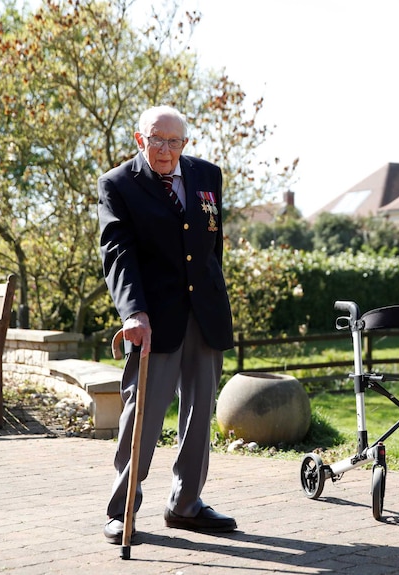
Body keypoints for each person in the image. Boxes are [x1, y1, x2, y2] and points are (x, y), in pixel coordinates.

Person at [97, 105, 236, 544]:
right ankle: (122, 511)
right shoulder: (118, 184)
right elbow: (118, 253)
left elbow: (214, 246)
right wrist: (133, 312)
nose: (165, 149)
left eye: (173, 141)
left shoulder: (207, 175)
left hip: (205, 314)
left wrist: (215, 294)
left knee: (199, 416)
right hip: (153, 319)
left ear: (185, 144)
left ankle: (185, 505)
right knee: (143, 414)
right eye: (156, 140)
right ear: (140, 140)